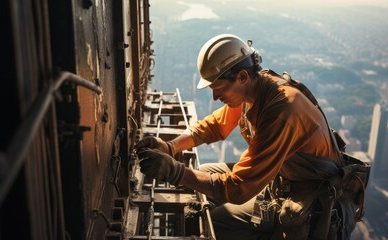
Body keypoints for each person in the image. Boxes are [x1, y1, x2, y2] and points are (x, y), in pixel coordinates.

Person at [135, 34, 360, 240]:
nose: (215, 97)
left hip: (306, 200)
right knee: (202, 176)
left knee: (213, 220)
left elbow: (238, 189)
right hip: (280, 180)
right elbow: (214, 126)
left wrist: (175, 171)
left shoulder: (282, 110)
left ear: (242, 76)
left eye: (218, 88)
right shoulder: (253, 88)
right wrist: (170, 147)